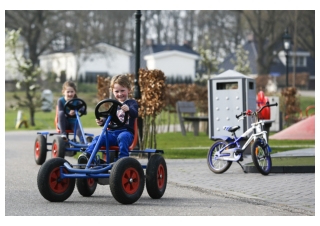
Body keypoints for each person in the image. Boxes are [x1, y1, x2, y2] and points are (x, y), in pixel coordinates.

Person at [78, 74, 138, 165]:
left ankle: (122, 161)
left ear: (129, 90)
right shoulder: (114, 105)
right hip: (113, 133)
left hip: (126, 133)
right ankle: (88, 155)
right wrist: (102, 121)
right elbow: (109, 117)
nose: (120, 94)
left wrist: (129, 109)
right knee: (99, 138)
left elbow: (135, 113)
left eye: (122, 91)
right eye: (117, 91)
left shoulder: (132, 103)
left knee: (122, 137)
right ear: (113, 91)